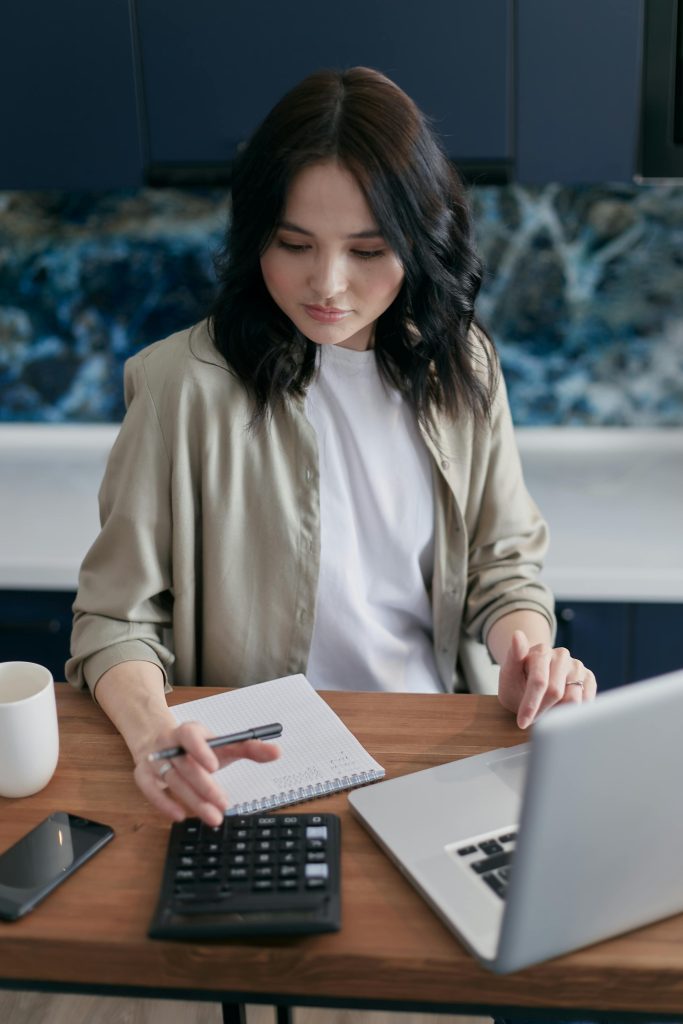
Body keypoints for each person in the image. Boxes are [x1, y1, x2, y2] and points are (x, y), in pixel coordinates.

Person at [66, 66, 596, 828]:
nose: (327, 284)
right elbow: (113, 621)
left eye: (368, 251)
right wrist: (155, 735)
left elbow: (503, 565)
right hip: (254, 771)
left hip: (430, 750)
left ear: (421, 244)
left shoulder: (461, 363)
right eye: (293, 243)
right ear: (257, 235)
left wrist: (525, 655)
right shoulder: (181, 385)